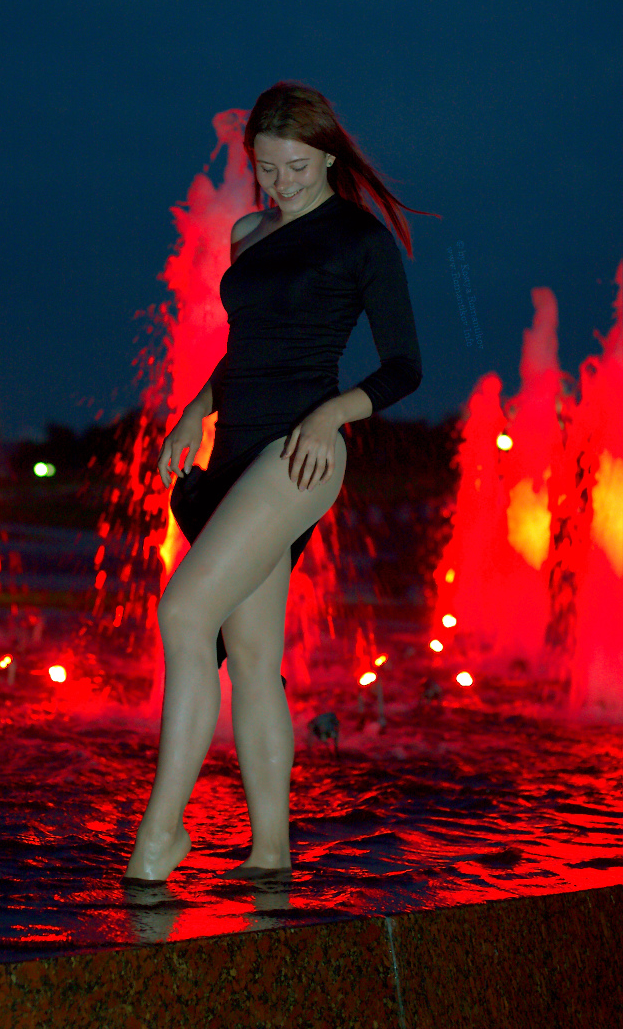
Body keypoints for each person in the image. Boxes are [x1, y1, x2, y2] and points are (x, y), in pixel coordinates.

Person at [124, 82, 422, 883]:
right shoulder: (248, 233)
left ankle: (161, 835)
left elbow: (404, 368)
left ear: (327, 155)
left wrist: (331, 417)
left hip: (299, 456)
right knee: (253, 657)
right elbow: (250, 350)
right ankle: (271, 850)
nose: (280, 183)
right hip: (235, 453)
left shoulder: (359, 241)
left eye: (294, 167)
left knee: (185, 611)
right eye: (266, 167)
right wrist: (194, 409)